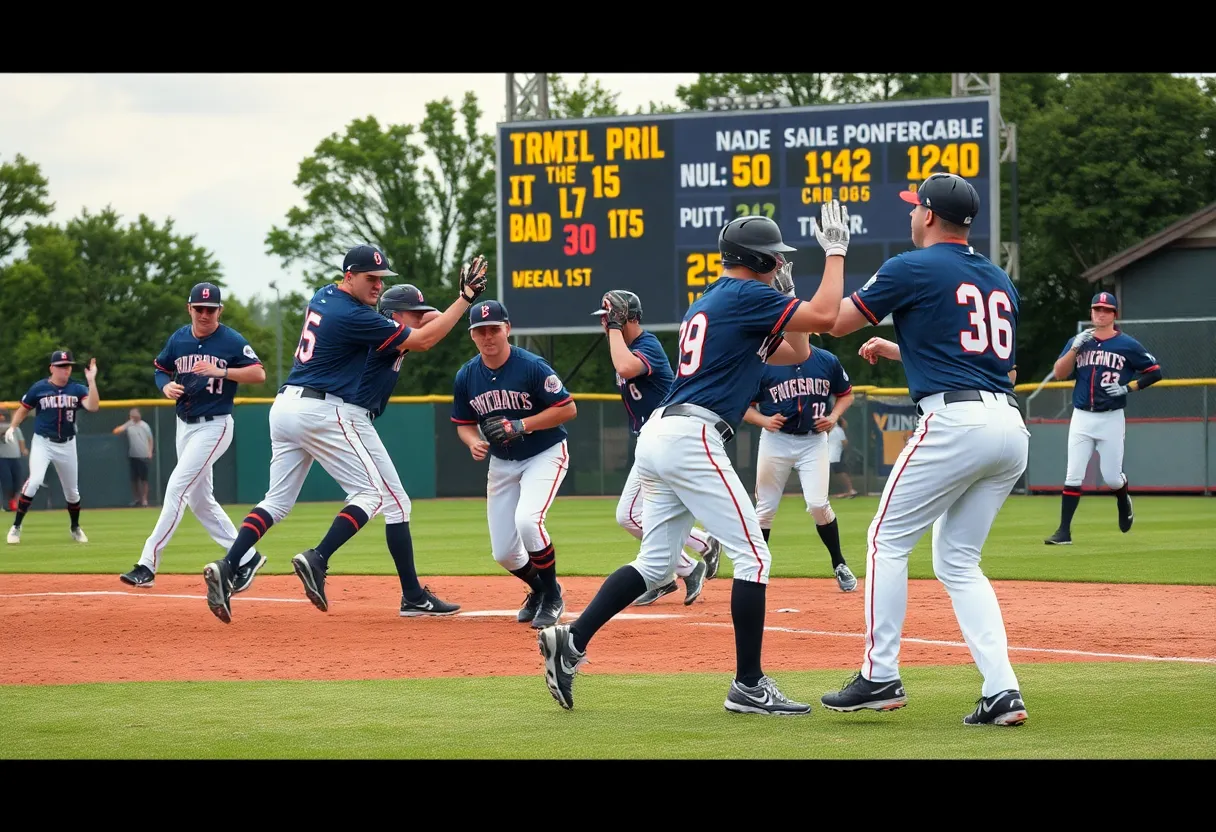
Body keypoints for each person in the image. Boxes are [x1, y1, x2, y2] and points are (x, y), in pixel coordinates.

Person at [538, 202, 851, 715]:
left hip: (665, 432)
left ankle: (571, 642)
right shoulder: (746, 295)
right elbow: (827, 319)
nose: (780, 263)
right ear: (762, 260)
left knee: (656, 563)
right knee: (755, 555)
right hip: (693, 435)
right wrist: (835, 253)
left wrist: (788, 295)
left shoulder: (715, 300)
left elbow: (796, 353)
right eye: (777, 258)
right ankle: (748, 685)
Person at [818, 171, 1030, 727]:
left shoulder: (910, 265)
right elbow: (996, 363)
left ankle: (879, 674)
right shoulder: (999, 280)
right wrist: (903, 348)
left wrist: (835, 255)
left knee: (885, 539)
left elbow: (835, 322)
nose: (911, 214)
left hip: (955, 422)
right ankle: (1002, 691)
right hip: (1008, 424)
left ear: (930, 216)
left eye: (915, 207)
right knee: (958, 560)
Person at [202, 245, 487, 623]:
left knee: (279, 502)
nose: (376, 284)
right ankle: (318, 559)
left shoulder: (326, 295)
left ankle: (228, 564)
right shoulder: (361, 319)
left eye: (381, 279)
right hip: (331, 411)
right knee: (373, 495)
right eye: (371, 278)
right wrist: (465, 298)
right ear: (350, 275)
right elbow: (423, 337)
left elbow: (426, 323)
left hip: (287, 406)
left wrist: (437, 308)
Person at [119, 283, 268, 590]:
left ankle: (147, 564)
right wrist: (164, 386)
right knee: (201, 501)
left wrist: (223, 372)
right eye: (198, 308)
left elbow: (258, 373)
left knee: (177, 488)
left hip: (215, 425)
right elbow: (161, 368)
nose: (204, 314)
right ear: (189, 308)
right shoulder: (179, 338)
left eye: (210, 309)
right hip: (184, 424)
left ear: (219, 311)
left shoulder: (230, 340)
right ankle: (247, 557)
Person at [451, 299, 576, 631]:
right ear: (472, 336)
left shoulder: (531, 366)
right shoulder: (467, 375)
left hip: (544, 453)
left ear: (507, 329)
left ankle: (552, 596)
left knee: (528, 521)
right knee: (504, 552)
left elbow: (567, 409)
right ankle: (539, 590)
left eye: (494, 329)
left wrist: (522, 424)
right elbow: (463, 423)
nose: (488, 336)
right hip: (502, 462)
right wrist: (472, 441)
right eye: (481, 331)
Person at [591, 289, 721, 607]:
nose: (604, 323)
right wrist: (615, 330)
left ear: (625, 317)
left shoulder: (646, 345)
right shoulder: (626, 346)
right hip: (652, 442)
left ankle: (689, 563)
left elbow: (625, 369)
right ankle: (695, 556)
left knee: (630, 516)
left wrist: (615, 330)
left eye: (608, 317)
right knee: (632, 516)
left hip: (666, 440)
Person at [351, 282, 461, 616]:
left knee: (281, 499)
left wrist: (421, 312)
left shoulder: (393, 333)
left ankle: (236, 560)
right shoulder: (384, 337)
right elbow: (434, 329)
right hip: (350, 420)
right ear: (393, 315)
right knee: (394, 503)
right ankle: (411, 596)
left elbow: (437, 320)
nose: (420, 318)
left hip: (351, 420)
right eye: (412, 313)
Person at [1044, 291, 1162, 545]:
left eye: (1106, 310)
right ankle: (1064, 532)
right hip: (1082, 417)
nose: (1100, 313)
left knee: (1111, 477)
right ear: (1091, 312)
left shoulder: (1127, 344)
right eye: (1096, 309)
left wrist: (1129, 387)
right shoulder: (1080, 341)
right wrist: (1075, 347)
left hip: (1111, 417)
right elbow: (1059, 373)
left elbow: (1155, 372)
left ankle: (1122, 498)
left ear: (1114, 315)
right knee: (1073, 475)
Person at [742, 343, 858, 592]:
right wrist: (763, 420)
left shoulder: (826, 360)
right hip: (776, 440)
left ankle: (839, 563)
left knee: (818, 504)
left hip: (813, 440)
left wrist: (835, 417)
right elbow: (742, 404)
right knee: (764, 509)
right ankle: (756, 568)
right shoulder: (765, 362)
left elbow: (846, 394)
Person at [6, 351, 100, 544]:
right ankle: (16, 526)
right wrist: (13, 427)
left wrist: (92, 382)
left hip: (67, 444)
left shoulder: (77, 388)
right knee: (35, 481)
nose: (65, 369)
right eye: (61, 366)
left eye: (67, 366)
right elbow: (23, 409)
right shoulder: (39, 388)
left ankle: (75, 527)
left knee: (72, 492)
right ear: (51, 368)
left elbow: (93, 406)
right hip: (43, 442)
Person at [112, 407, 154, 506]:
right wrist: (127, 423)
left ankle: (144, 500)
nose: (134, 416)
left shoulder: (144, 425)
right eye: (132, 415)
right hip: (133, 455)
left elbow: (150, 439)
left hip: (143, 455)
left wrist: (150, 452)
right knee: (134, 479)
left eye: (135, 414)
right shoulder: (129, 425)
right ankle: (137, 499)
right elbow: (116, 431)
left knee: (144, 479)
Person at [0, 409, 28, 512]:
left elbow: (20, 439)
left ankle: (14, 502)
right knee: (7, 482)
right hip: (3, 458)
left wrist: (23, 449)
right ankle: (6, 504)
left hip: (15, 458)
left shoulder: (15, 428)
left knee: (18, 482)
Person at [828, 417, 857, 498]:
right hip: (829, 456)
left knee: (840, 472)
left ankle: (850, 490)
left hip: (835, 456)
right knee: (838, 472)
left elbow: (845, 442)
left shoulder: (838, 430)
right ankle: (849, 491)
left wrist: (842, 450)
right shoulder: (829, 430)